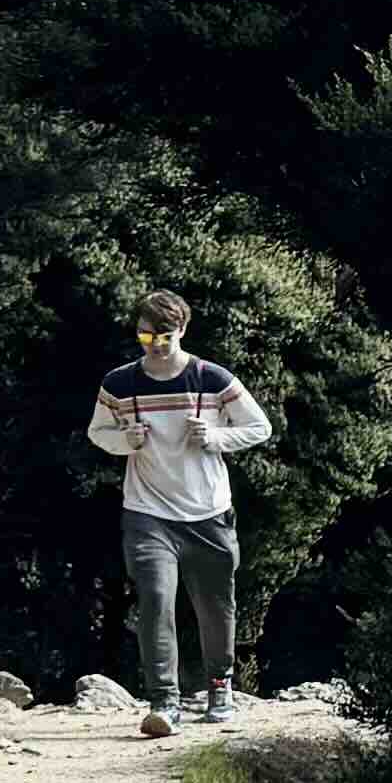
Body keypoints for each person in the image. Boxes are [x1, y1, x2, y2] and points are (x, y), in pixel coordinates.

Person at [88, 289, 275, 739]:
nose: (154, 344)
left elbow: (259, 427)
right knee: (154, 599)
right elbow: (98, 431)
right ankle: (164, 703)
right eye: (146, 334)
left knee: (214, 607)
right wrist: (125, 440)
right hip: (147, 511)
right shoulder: (119, 383)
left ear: (182, 331)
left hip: (208, 512)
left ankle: (219, 687)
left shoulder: (211, 378)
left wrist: (214, 436)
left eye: (164, 335)